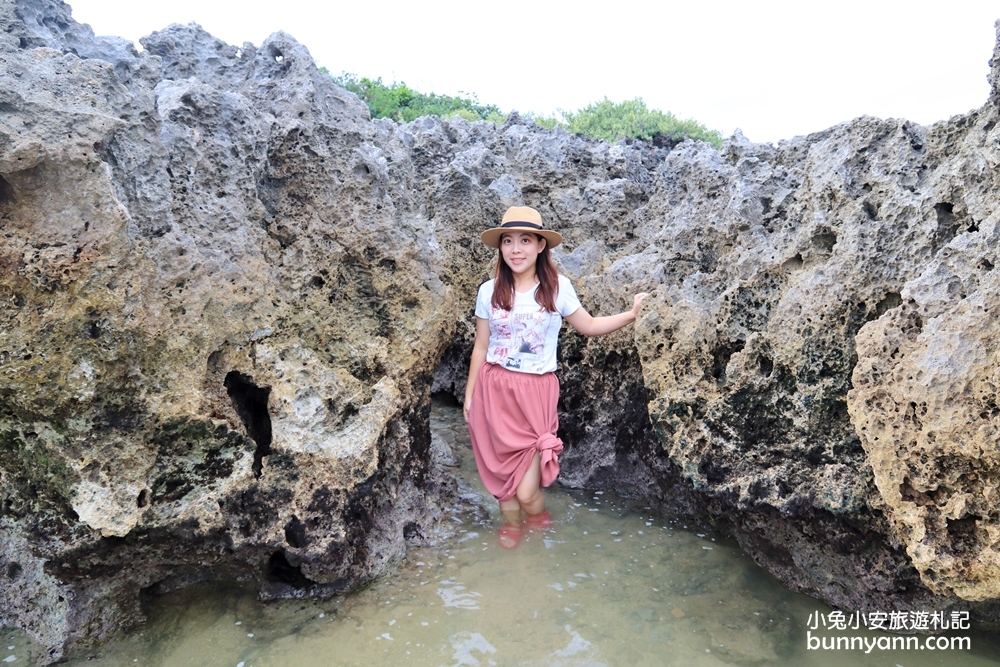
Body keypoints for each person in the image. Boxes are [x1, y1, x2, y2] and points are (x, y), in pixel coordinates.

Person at [463, 205, 648, 549]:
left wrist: (632, 314)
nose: (515, 249)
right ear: (500, 247)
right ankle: (512, 525)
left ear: (539, 246)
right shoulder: (488, 291)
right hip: (493, 389)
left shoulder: (557, 288)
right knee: (501, 477)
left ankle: (536, 517)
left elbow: (589, 327)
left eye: (525, 240)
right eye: (507, 241)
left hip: (535, 393)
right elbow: (480, 346)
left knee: (528, 491)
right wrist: (470, 395)